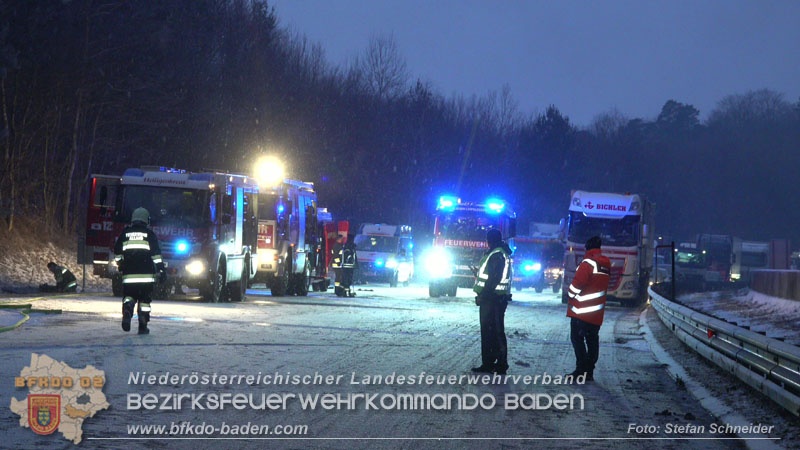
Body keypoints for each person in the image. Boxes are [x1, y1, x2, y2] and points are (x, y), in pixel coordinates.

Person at [113, 207, 165, 334]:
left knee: (129, 296)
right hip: (146, 275)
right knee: (144, 300)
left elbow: (117, 252)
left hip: (129, 274)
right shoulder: (149, 235)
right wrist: (162, 270)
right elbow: (156, 255)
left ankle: (127, 310)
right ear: (146, 220)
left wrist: (121, 264)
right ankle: (143, 323)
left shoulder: (125, 234)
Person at [566, 236, 610, 381]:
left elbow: (578, 283)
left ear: (587, 247)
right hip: (596, 313)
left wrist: (570, 293)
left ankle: (580, 370)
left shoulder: (587, 263)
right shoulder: (605, 263)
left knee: (577, 340)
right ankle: (589, 371)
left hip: (581, 311)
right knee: (592, 341)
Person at [472, 229, 513, 375]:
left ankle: (498, 364)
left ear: (490, 240)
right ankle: (490, 363)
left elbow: (493, 279)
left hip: (493, 299)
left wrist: (483, 296)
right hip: (494, 298)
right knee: (491, 332)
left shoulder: (496, 255)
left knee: (494, 332)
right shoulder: (498, 254)